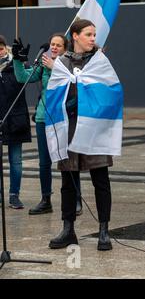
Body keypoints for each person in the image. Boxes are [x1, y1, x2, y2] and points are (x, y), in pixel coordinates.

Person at [47, 19, 123, 251]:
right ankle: (68, 229)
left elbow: (113, 93)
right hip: (68, 128)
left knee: (101, 179)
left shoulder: (100, 61)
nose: (93, 38)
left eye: (94, 34)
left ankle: (103, 230)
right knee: (68, 181)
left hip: (94, 128)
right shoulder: (62, 63)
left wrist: (84, 91)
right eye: (88, 34)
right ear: (76, 36)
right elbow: (53, 92)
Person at [13, 34, 83, 215]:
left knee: (67, 161)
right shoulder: (44, 66)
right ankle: (46, 200)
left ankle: (75, 199)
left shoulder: (71, 65)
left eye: (58, 45)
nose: (54, 47)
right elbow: (22, 78)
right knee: (44, 163)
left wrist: (56, 67)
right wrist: (18, 60)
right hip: (44, 119)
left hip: (63, 119)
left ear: (65, 48)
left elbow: (74, 85)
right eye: (52, 44)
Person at [0, 35, 31, 209]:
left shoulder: (17, 65)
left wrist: (21, 59)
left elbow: (26, 74)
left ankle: (14, 195)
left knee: (16, 160)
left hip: (16, 119)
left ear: (5, 48)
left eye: (1, 48)